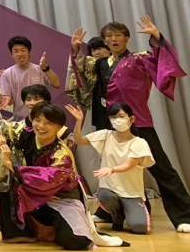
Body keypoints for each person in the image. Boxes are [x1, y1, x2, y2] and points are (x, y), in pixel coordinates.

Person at [69, 17, 190, 232]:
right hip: (112, 125)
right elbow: (79, 79)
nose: (113, 39)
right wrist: (76, 50)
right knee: (113, 169)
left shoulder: (139, 59)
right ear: (105, 41)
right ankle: (108, 212)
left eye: (118, 35)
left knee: (162, 169)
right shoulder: (99, 64)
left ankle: (184, 216)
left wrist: (157, 37)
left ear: (126, 38)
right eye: (109, 36)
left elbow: (163, 63)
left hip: (137, 121)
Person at [0, 103, 93, 250]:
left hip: (61, 200)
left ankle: (49, 229)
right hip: (32, 198)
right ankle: (18, 232)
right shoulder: (23, 133)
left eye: (48, 123)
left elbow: (44, 181)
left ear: (59, 127)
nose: (40, 126)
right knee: (5, 180)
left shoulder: (61, 154)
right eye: (37, 120)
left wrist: (10, 164)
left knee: (76, 241)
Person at [69, 102, 154, 234]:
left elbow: (130, 164)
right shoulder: (105, 135)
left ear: (131, 119)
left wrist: (112, 169)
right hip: (110, 189)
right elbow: (79, 140)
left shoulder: (139, 142)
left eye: (121, 116)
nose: (117, 120)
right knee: (105, 196)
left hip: (132, 193)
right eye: (113, 117)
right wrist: (79, 121)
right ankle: (116, 215)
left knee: (140, 228)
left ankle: (130, 212)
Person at [0, 36, 60, 120]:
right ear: (12, 54)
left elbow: (56, 84)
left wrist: (46, 68)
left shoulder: (39, 69)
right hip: (20, 118)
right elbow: (6, 99)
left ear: (29, 52)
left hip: (42, 116)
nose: (20, 54)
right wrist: (6, 100)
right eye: (16, 51)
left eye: (23, 50)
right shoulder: (7, 74)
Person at [65, 34, 109, 108]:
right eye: (93, 50)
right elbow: (78, 67)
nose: (97, 52)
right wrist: (76, 49)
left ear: (109, 49)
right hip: (97, 104)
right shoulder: (89, 66)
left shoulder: (120, 63)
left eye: (99, 48)